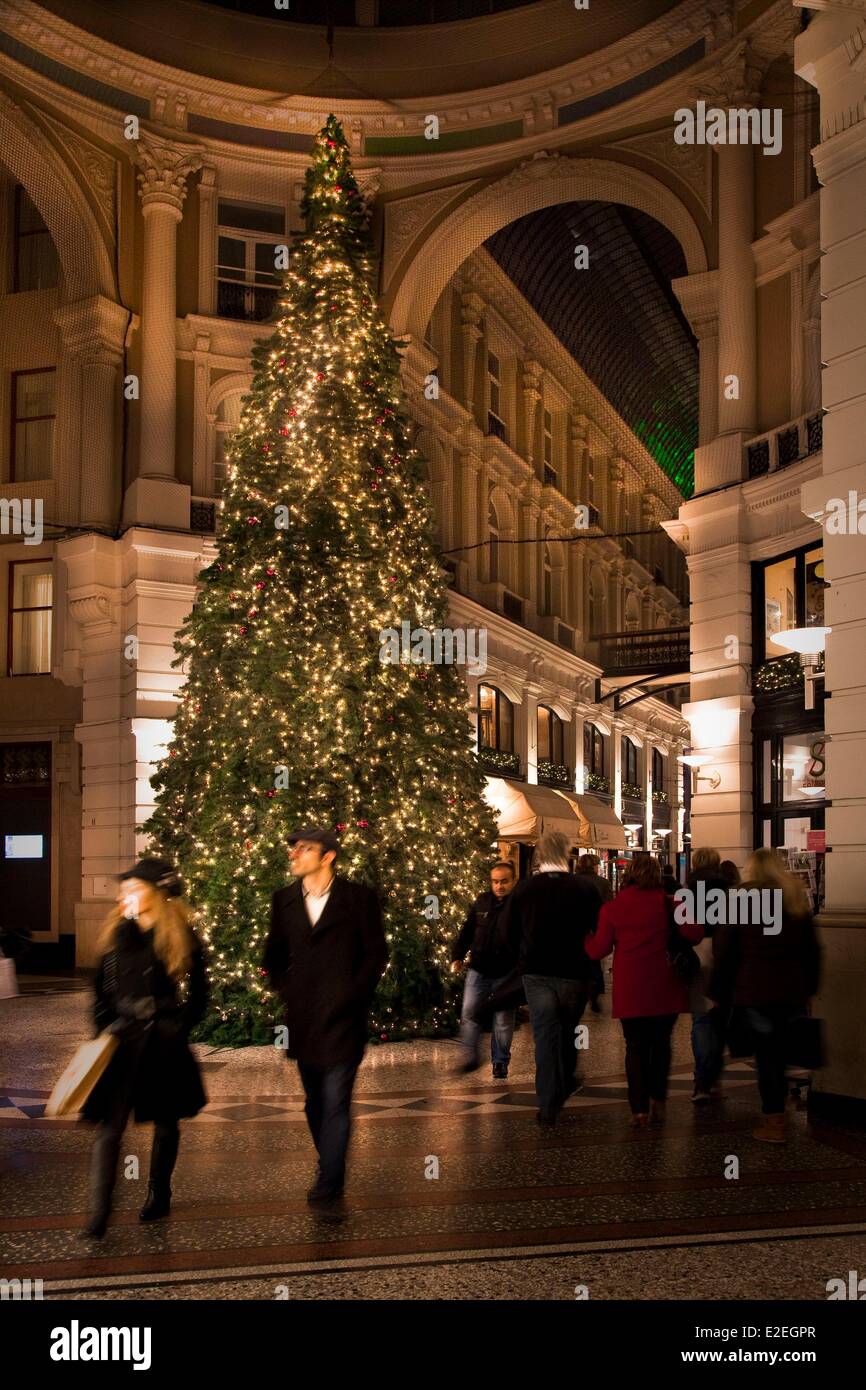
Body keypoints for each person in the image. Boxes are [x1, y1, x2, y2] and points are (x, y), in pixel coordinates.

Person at [81, 857, 208, 1240]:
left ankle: (159, 1191)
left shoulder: (180, 935)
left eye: (134, 887)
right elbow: (100, 993)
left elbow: (201, 994)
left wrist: (179, 1025)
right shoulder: (117, 935)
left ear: (156, 893)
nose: (125, 895)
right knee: (109, 1128)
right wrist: (103, 1031)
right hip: (122, 1042)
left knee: (166, 1122)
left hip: (162, 1040)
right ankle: (98, 1212)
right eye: (124, 889)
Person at [263, 826, 387, 1202]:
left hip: (344, 1021)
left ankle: (331, 1180)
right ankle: (328, 1159)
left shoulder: (358, 899)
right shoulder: (283, 900)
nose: (294, 854)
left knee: (336, 1100)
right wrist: (290, 992)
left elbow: (376, 954)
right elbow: (272, 958)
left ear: (328, 855)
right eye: (293, 848)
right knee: (315, 1102)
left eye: (304, 848)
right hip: (303, 1022)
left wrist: (353, 994)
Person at [709, 847, 821, 1144]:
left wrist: (719, 991)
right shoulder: (795, 899)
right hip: (792, 991)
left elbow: (726, 952)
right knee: (781, 1052)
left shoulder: (742, 901)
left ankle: (774, 1120)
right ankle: (778, 1111)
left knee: (768, 1056)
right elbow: (812, 951)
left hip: (756, 991)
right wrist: (810, 987)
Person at [586, 854, 702, 1129]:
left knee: (635, 1047)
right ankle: (658, 1099)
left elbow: (598, 950)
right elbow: (695, 934)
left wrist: (585, 938)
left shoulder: (613, 908)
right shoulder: (673, 902)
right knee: (661, 1045)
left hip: (631, 989)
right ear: (658, 875)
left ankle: (638, 1109)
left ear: (630, 875)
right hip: (665, 986)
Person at [503, 831, 600, 1126]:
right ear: (567, 853)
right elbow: (598, 929)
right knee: (569, 1030)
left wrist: (520, 957)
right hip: (574, 973)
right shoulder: (584, 888)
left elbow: (508, 931)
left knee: (545, 1037)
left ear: (540, 854)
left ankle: (547, 1104)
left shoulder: (525, 889)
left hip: (537, 973)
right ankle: (567, 1078)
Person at [450, 861, 519, 1078]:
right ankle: (471, 1056)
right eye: (495, 881)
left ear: (513, 881)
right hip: (479, 969)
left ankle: (500, 1061)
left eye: (504, 881)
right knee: (469, 1012)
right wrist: (457, 956)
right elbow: (468, 930)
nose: (499, 886)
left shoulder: (519, 905)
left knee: (503, 1020)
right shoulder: (481, 902)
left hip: (507, 972)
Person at [686, 847, 732, 1104]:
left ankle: (702, 1081)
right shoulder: (728, 890)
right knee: (720, 1020)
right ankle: (713, 1078)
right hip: (723, 956)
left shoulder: (687, 892)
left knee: (701, 1020)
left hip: (696, 956)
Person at [576, 854, 610, 1012]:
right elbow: (608, 905)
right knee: (594, 960)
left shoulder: (572, 881)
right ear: (594, 866)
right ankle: (594, 991)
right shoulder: (603, 883)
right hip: (596, 926)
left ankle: (580, 990)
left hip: (576, 927)